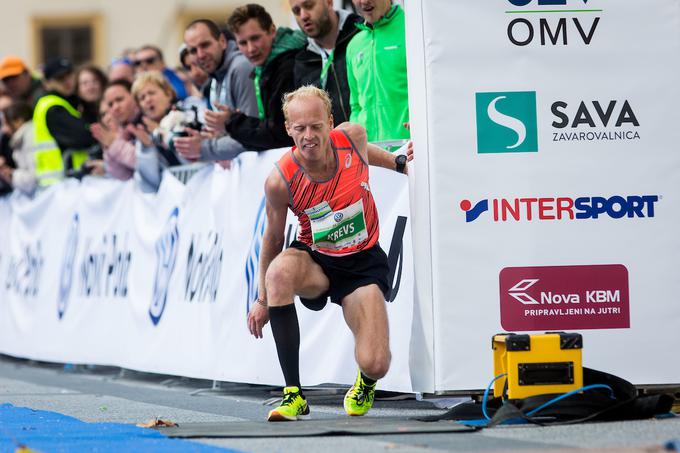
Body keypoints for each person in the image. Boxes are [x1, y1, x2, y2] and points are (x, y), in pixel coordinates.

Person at [247, 85, 412, 421]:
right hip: (316, 259)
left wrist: (398, 162)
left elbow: (366, 151)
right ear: (288, 130)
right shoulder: (280, 180)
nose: (309, 136)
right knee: (278, 272)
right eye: (300, 128)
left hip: (362, 265)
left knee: (377, 362)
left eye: (316, 126)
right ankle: (293, 394)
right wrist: (263, 299)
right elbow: (273, 239)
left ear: (330, 122)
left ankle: (365, 381)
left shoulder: (352, 137)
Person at [221, 4, 306, 151]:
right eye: (243, 43)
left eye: (255, 38)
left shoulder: (287, 65)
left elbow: (278, 134)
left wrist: (232, 121)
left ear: (272, 31)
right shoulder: (265, 68)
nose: (251, 48)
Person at [174, 18, 258, 162]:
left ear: (222, 42)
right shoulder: (216, 77)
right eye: (193, 50)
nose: (200, 55)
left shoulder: (241, 68)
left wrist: (205, 147)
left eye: (205, 45)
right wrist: (213, 138)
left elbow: (254, 136)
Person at [346, 0, 409, 143]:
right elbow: (355, 104)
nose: (364, 1)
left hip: (409, 148)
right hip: (369, 153)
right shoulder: (354, 45)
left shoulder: (413, 28)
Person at [33, 57, 100, 188]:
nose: (66, 81)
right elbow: (83, 138)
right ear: (47, 83)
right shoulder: (53, 106)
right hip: (60, 185)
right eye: (59, 78)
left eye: (69, 75)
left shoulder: (66, 102)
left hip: (62, 183)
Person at [291, 0, 361, 125]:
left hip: (376, 138)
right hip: (333, 143)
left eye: (309, 6)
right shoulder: (302, 62)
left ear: (329, 2)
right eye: (296, 11)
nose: (303, 16)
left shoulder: (362, 33)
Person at [128, 71, 188, 192]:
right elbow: (151, 182)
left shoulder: (186, 116)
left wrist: (163, 135)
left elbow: (192, 162)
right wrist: (148, 149)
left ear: (168, 94)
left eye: (152, 93)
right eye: (142, 98)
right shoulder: (144, 134)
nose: (148, 100)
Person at [91, 79, 140, 181]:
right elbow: (123, 176)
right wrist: (109, 148)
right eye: (111, 104)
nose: (116, 107)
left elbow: (146, 165)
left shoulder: (147, 120)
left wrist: (114, 144)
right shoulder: (122, 129)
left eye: (119, 100)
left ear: (134, 96)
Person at [0, 101, 36, 195]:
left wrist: (9, 173)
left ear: (18, 121)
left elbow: (32, 180)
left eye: (6, 124)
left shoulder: (31, 136)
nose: (4, 130)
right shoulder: (23, 138)